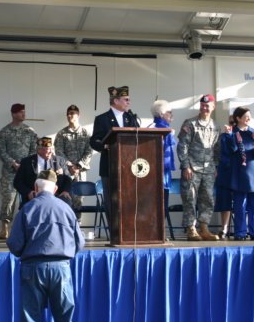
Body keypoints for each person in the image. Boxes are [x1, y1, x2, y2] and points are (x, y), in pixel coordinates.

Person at [6, 169, 85, 322]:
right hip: (61, 269)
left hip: (33, 269)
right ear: (56, 189)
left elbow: (15, 245)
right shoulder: (66, 209)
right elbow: (79, 243)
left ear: (36, 187)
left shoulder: (27, 209)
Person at [90, 86, 139, 230]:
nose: (128, 102)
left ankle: (130, 229)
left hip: (129, 167)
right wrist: (105, 146)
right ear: (116, 100)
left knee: (129, 198)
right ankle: (115, 231)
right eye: (126, 100)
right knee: (111, 200)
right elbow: (94, 141)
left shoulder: (130, 118)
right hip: (110, 166)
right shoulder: (102, 119)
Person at [176, 94, 220, 241]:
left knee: (207, 199)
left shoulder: (216, 126)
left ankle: (204, 228)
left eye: (207, 106)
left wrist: (215, 166)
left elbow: (217, 148)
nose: (204, 108)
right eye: (202, 105)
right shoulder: (190, 124)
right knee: (190, 198)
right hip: (192, 169)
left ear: (213, 107)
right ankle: (190, 229)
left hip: (208, 170)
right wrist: (185, 166)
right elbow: (182, 146)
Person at [0, 103, 38, 239]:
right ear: (13, 114)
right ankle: (5, 229)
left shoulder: (30, 131)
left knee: (29, 198)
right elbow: (1, 151)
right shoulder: (4, 132)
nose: (23, 114)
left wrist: (25, 165)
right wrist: (13, 163)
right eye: (20, 112)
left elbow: (34, 149)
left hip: (27, 172)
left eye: (24, 112)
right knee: (8, 199)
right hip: (10, 172)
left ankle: (26, 228)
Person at [226, 107, 254, 241]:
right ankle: (240, 232)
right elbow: (231, 150)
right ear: (238, 118)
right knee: (240, 205)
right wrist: (229, 136)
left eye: (250, 116)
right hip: (240, 172)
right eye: (246, 116)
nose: (249, 118)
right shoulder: (232, 133)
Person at [14, 137, 74, 209]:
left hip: (57, 196)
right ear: (39, 150)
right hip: (34, 196)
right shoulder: (27, 162)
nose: (51, 152)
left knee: (67, 202)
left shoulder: (60, 160)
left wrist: (65, 191)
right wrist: (28, 192)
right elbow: (17, 182)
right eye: (48, 150)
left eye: (52, 149)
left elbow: (68, 179)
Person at [54, 105, 92, 212]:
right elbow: (59, 151)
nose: (70, 115)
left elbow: (89, 152)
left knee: (79, 200)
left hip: (80, 171)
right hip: (67, 172)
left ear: (78, 115)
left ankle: (77, 225)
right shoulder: (62, 134)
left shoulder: (85, 133)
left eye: (73, 113)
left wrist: (78, 165)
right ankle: (67, 225)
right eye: (69, 113)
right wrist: (69, 165)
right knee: (65, 197)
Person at [148, 100, 177, 218]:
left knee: (164, 204)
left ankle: (162, 233)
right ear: (161, 114)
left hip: (164, 173)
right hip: (154, 173)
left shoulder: (168, 129)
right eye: (169, 112)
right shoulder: (153, 128)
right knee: (155, 204)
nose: (171, 115)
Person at [214, 115, 235, 239]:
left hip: (239, 172)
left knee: (240, 202)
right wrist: (216, 168)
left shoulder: (244, 135)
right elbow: (216, 153)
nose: (232, 125)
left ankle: (241, 229)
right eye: (230, 122)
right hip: (225, 172)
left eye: (234, 123)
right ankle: (224, 228)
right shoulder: (222, 137)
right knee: (225, 201)